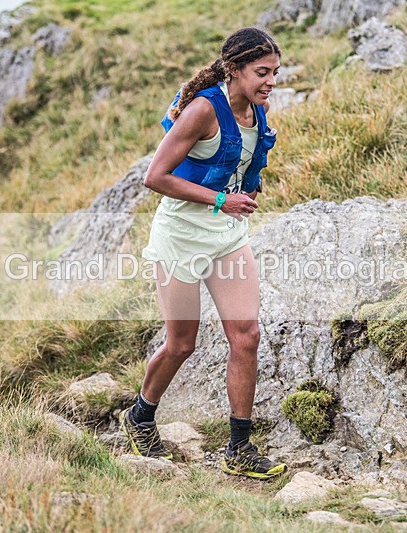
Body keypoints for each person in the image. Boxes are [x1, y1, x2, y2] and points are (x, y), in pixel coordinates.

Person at [119, 27, 287, 479]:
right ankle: (139, 416)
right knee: (181, 344)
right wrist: (219, 200)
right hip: (181, 236)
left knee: (246, 335)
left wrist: (242, 191)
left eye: (275, 72)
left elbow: (242, 162)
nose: (270, 81)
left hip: (228, 236)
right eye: (261, 72)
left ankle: (239, 447)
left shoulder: (259, 110)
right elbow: (155, 176)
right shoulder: (202, 111)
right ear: (234, 69)